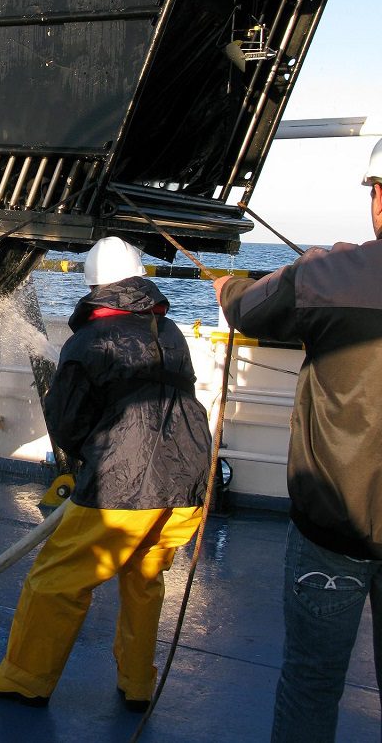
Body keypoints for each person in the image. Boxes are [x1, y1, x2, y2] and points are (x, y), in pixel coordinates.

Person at [0, 236, 212, 711]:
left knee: (57, 579)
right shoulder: (168, 331)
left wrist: (90, 459)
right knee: (144, 579)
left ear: (94, 288)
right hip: (187, 480)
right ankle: (137, 683)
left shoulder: (88, 340)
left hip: (124, 488)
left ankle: (25, 678)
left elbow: (67, 423)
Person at [213, 138, 382, 743]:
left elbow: (249, 311)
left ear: (378, 200)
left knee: (312, 683)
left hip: (332, 530)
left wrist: (229, 287)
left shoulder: (323, 273)